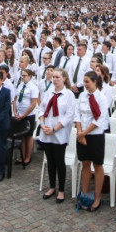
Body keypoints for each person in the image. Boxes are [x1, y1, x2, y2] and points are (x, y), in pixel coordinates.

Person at [74, 70, 110, 211]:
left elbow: (99, 119)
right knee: (85, 163)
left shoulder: (101, 98)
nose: (85, 84)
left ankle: (97, 197)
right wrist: (80, 132)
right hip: (82, 133)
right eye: (84, 81)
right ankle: (84, 194)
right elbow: (77, 114)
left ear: (95, 81)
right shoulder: (82, 96)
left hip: (95, 135)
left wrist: (84, 133)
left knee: (98, 164)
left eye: (87, 82)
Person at [39, 68, 75, 203]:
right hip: (47, 131)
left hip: (59, 133)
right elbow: (42, 109)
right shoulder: (49, 92)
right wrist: (42, 124)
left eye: (57, 77)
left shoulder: (69, 95)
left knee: (59, 161)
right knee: (50, 161)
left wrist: (55, 129)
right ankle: (52, 186)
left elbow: (69, 116)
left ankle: (61, 190)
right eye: (53, 77)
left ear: (64, 79)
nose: (54, 79)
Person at [13, 67, 39, 167]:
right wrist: (15, 111)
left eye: (24, 76)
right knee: (22, 136)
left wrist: (24, 115)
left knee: (28, 136)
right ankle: (22, 156)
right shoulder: (20, 85)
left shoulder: (33, 87)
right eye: (22, 75)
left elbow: (33, 103)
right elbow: (15, 98)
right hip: (20, 113)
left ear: (30, 76)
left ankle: (28, 157)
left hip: (28, 115)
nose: (22, 77)